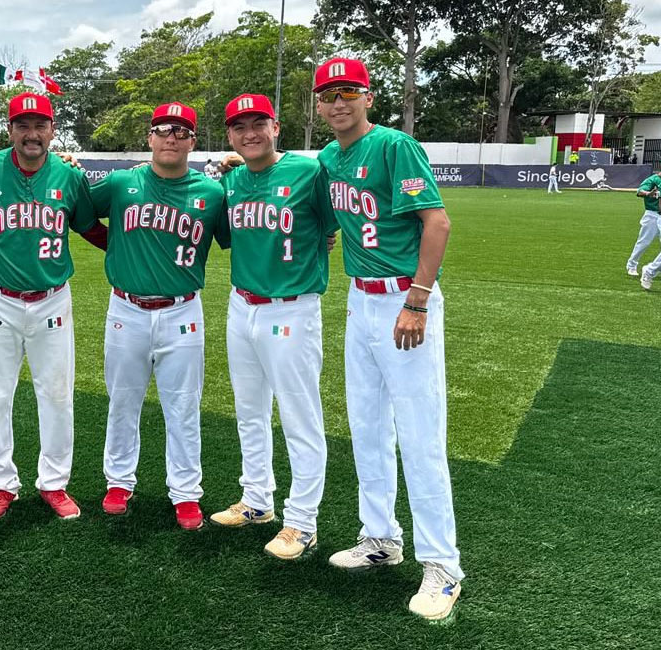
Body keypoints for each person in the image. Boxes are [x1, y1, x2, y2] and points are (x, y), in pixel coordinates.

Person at [313, 57, 463, 622]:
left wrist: (418, 301)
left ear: (368, 95)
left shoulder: (394, 146)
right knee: (367, 424)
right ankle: (380, 536)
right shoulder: (330, 155)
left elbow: (438, 222)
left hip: (405, 299)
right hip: (360, 299)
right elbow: (332, 210)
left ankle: (442, 565)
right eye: (328, 94)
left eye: (348, 91)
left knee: (421, 432)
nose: (338, 102)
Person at [0, 92, 104, 521]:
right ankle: (2, 484)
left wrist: (135, 249)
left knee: (57, 395)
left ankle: (54, 483)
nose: (32, 133)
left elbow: (91, 228)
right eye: (23, 125)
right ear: (10, 130)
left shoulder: (68, 176)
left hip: (52, 299)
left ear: (52, 130)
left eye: (40, 125)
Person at [208, 93, 335, 561]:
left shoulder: (307, 171)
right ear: (230, 135)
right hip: (242, 304)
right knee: (250, 410)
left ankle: (302, 521)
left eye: (258, 123)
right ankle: (257, 501)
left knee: (299, 416)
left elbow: (332, 225)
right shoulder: (235, 180)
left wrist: (324, 239)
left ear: (276, 126)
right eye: (239, 126)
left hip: (292, 307)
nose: (249, 133)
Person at [91, 102, 226, 530]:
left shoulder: (212, 193)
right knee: (122, 400)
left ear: (192, 141)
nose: (171, 137)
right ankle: (118, 481)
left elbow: (241, 236)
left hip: (182, 309)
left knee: (183, 406)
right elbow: (76, 215)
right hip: (126, 308)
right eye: (164, 129)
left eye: (181, 131)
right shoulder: (120, 183)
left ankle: (186, 493)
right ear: (150, 137)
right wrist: (113, 248)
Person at [627, 169, 661, 280]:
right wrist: (648, 193)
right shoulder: (653, 180)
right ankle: (632, 265)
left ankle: (651, 269)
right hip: (652, 215)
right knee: (644, 242)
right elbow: (640, 191)